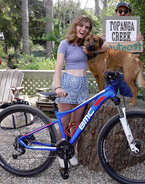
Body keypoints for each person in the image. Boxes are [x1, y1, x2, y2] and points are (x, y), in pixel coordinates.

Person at [54, 15, 92, 168]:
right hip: (68, 85)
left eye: (87, 27)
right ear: (75, 26)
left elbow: (107, 46)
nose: (83, 29)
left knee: (76, 123)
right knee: (64, 122)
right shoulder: (65, 44)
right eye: (81, 26)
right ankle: (61, 152)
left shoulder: (88, 46)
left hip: (82, 86)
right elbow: (58, 68)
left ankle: (70, 151)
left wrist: (136, 40)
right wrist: (58, 87)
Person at [100, 1, 144, 97]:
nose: (123, 13)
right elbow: (99, 53)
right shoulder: (107, 30)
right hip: (110, 73)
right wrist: (100, 41)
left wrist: (139, 43)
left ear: (129, 13)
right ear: (116, 13)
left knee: (129, 103)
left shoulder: (135, 32)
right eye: (120, 11)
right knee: (108, 102)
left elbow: (138, 55)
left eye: (126, 11)